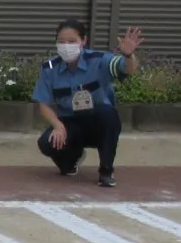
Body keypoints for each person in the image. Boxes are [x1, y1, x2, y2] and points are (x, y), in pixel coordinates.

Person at [34, 19, 144, 188]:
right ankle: (72, 160)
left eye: (72, 41)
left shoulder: (99, 60)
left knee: (108, 114)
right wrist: (57, 125)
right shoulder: (49, 68)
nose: (66, 46)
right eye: (61, 41)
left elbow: (127, 68)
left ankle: (106, 171)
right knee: (46, 143)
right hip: (70, 123)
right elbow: (43, 104)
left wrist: (128, 55)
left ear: (83, 41)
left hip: (97, 122)